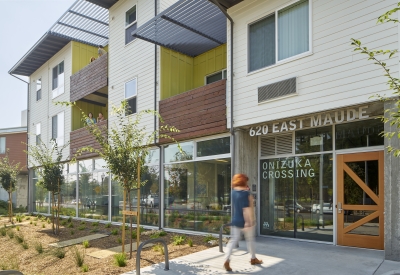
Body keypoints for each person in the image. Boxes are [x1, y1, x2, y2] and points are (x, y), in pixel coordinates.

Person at [223, 173, 262, 271]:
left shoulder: (233, 192)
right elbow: (246, 209)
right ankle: (253, 258)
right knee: (250, 240)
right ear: (244, 182)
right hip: (245, 221)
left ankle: (226, 259)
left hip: (235, 220)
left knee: (233, 240)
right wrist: (250, 222)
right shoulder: (246, 194)